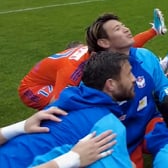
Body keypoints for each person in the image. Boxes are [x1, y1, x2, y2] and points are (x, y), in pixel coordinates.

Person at [19, 8, 168, 110]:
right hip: (32, 88)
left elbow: (126, 46)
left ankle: (156, 69)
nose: (126, 29)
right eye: (118, 28)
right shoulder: (72, 69)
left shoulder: (104, 52)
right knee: (64, 107)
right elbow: (58, 104)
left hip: (52, 74)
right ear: (102, 45)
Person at [0, 52, 135, 167]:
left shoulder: (65, 102)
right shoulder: (107, 125)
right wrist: (72, 159)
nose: (134, 79)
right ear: (110, 84)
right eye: (129, 74)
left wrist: (22, 126)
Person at [85, 12, 168, 168]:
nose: (126, 29)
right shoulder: (97, 76)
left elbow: (164, 85)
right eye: (117, 29)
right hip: (120, 139)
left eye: (123, 26)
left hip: (150, 123)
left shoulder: (145, 56)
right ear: (104, 42)